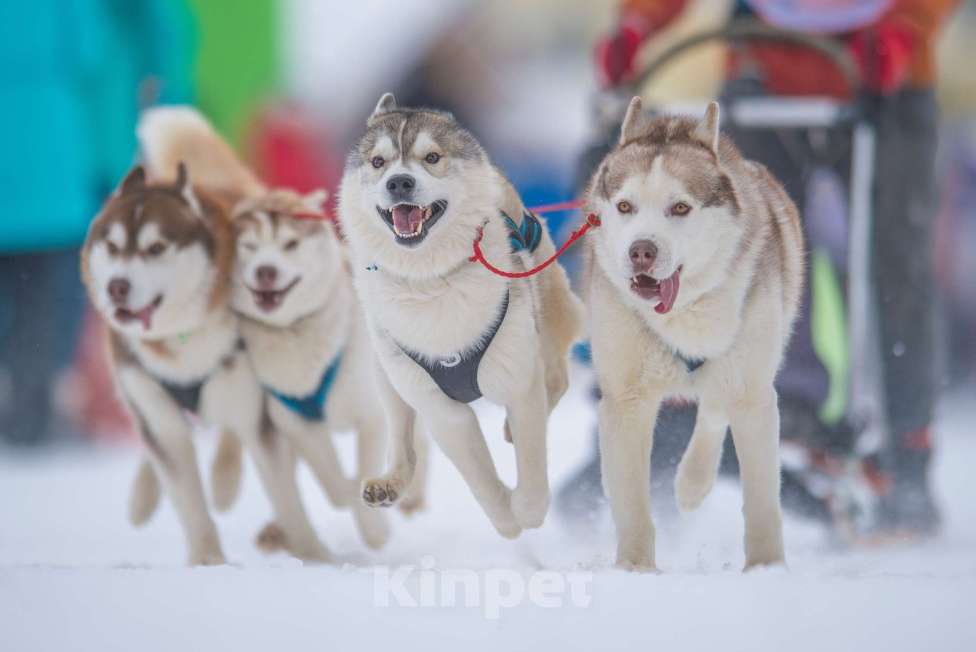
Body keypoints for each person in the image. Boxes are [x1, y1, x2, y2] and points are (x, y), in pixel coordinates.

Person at [560, 0, 958, 537]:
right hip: (765, 65)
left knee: (896, 269)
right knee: (756, 252)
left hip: (887, 73)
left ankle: (905, 453)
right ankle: (789, 409)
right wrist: (639, 24)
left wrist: (910, 27)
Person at [0, 1, 194, 445]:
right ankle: (51, 409)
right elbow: (158, 30)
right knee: (56, 311)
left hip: (63, 146)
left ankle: (50, 409)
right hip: (63, 151)